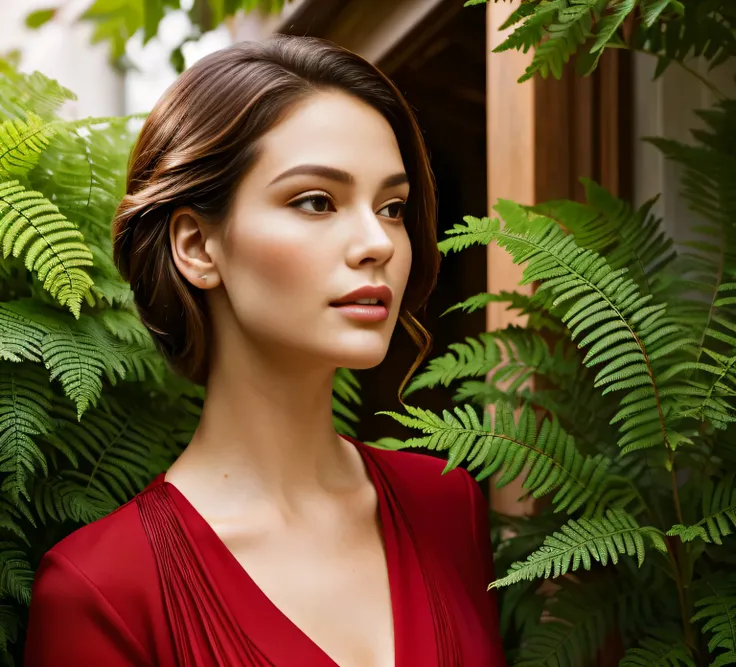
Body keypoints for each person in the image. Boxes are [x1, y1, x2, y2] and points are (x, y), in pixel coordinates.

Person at [24, 35, 505, 667]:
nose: (378, 243)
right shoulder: (103, 589)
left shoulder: (446, 506)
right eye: (316, 201)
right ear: (197, 246)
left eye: (392, 207)